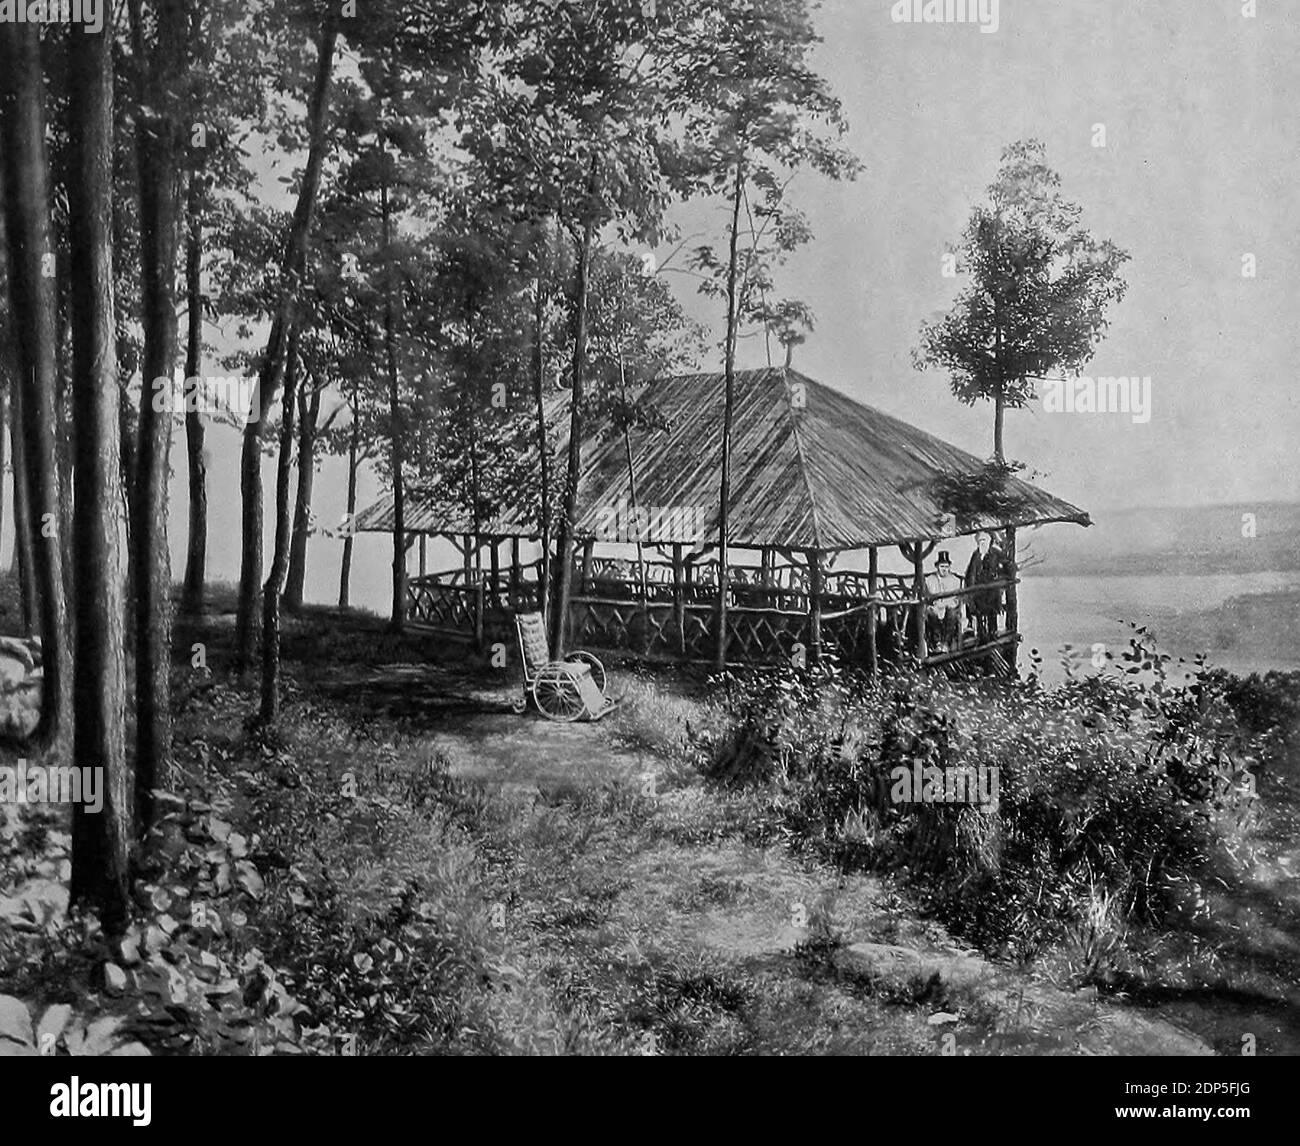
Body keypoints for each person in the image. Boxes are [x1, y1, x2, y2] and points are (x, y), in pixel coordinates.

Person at [964, 530, 1008, 643]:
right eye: (979, 540)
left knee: (991, 616)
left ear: (989, 541)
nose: (982, 543)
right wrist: (969, 590)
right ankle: (981, 637)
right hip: (978, 593)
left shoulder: (996, 553)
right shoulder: (976, 555)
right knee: (978, 616)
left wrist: (1000, 581)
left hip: (992, 592)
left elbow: (1008, 568)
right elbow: (970, 574)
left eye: (984, 540)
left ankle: (992, 637)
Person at [924, 551, 963, 652]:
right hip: (936, 606)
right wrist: (934, 604)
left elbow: (956, 599)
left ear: (950, 567)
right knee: (931, 613)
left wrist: (947, 604)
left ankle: (946, 643)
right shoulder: (930, 580)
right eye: (942, 566)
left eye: (946, 566)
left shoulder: (955, 580)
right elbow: (927, 596)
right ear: (937, 567)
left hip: (949, 605)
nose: (944, 569)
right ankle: (937, 643)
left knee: (952, 613)